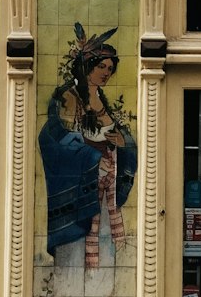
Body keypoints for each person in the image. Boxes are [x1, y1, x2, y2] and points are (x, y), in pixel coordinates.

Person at [39, 23, 137, 269]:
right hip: (83, 190)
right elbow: (55, 139)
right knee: (78, 259)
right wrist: (93, 157)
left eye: (110, 69)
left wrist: (123, 143)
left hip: (107, 190)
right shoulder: (69, 97)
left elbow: (124, 138)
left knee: (106, 252)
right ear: (87, 67)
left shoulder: (103, 100)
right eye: (101, 66)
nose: (106, 73)